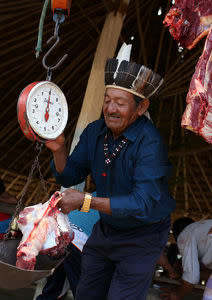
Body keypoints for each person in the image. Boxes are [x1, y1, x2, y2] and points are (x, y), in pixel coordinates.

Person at [45, 43, 176, 300]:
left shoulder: (149, 143)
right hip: (107, 230)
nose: (111, 109)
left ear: (141, 107)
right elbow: (69, 175)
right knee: (87, 293)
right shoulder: (96, 131)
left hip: (144, 236)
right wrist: (59, 150)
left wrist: (85, 201)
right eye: (107, 100)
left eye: (120, 102)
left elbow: (142, 203)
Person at [37, 191, 100, 300]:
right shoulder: (115, 202)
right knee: (84, 292)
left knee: (54, 290)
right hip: (77, 243)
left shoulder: (93, 194)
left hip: (57, 236)